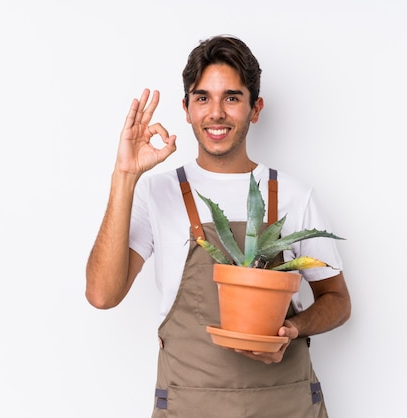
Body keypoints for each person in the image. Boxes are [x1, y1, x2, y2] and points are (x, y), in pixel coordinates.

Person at [86, 35, 351, 418]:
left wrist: (293, 328)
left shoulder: (293, 195)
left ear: (255, 108)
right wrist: (124, 177)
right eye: (202, 98)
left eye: (231, 97)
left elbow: (338, 301)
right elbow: (102, 295)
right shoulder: (156, 193)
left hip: (286, 406)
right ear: (187, 108)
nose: (216, 113)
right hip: (190, 405)